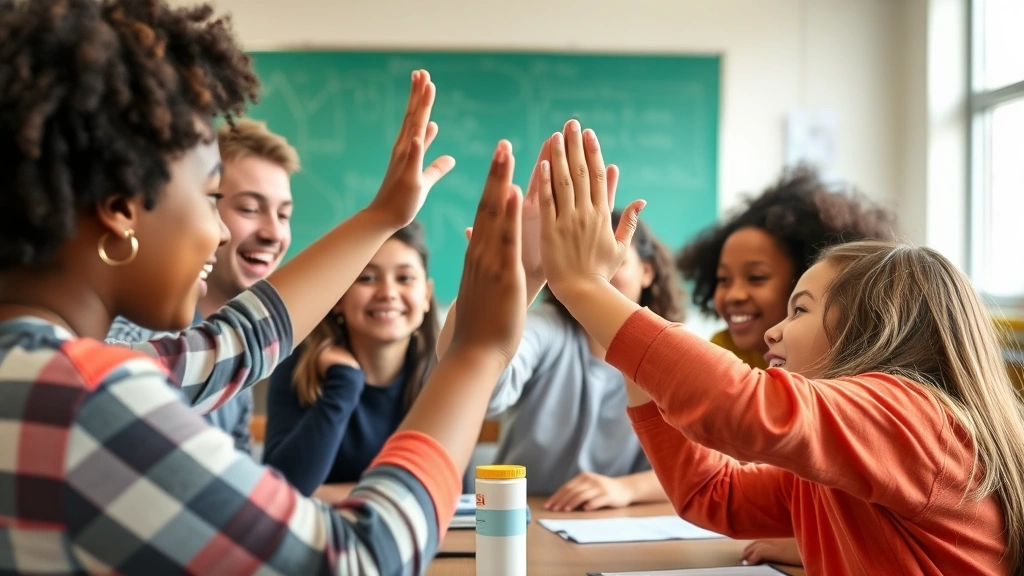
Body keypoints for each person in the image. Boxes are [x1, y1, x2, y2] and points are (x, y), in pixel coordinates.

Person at [0, 1, 548, 573]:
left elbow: (230, 345)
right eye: (214, 198)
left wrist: (381, 217)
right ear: (120, 208)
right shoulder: (89, 402)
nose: (217, 233)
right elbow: (357, 558)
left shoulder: (43, 368)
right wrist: (475, 355)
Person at [532, 122, 1024, 575]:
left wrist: (584, 286)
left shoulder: (918, 421)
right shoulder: (837, 463)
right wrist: (623, 346)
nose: (773, 332)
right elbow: (712, 494)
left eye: (800, 310)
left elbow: (743, 406)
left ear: (870, 328)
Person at [437, 132, 685, 511]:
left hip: (621, 525)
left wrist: (627, 489)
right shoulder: (550, 330)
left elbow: (700, 467)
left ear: (648, 272)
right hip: (526, 519)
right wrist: (517, 278)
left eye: (613, 259)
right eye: (582, 258)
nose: (596, 272)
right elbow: (476, 378)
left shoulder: (667, 350)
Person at [106, 118, 300, 453]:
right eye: (250, 209)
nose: (273, 233)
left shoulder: (240, 373)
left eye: (283, 215)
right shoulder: (128, 337)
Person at [263, 221, 440, 498]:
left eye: (405, 278)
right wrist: (344, 383)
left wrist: (330, 494)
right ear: (338, 295)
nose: (388, 293)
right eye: (367, 278)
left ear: (426, 296)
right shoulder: (298, 369)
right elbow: (280, 490)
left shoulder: (441, 377)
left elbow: (448, 495)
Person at [676, 167, 896, 369]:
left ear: (804, 278)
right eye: (723, 279)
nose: (734, 294)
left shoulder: (845, 370)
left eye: (756, 277)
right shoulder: (722, 351)